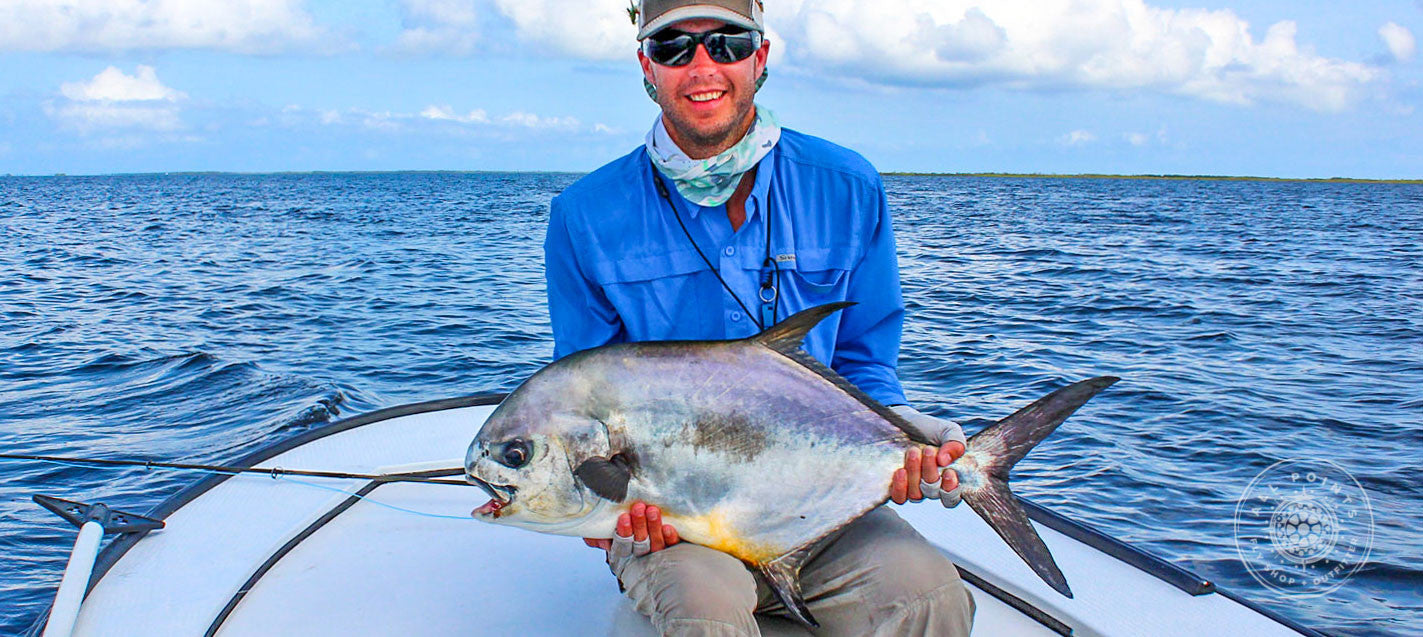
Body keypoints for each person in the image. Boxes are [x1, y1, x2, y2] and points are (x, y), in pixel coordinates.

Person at [543, 1, 976, 634]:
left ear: (760, 58)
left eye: (726, 43)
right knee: (706, 616)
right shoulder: (584, 217)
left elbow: (863, 364)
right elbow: (581, 400)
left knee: (928, 596)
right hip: (675, 520)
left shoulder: (847, 187)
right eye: (672, 48)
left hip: (817, 500)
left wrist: (902, 435)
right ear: (646, 66)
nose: (701, 66)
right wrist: (605, 511)